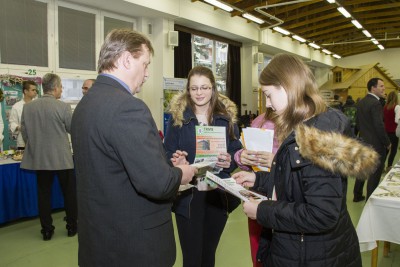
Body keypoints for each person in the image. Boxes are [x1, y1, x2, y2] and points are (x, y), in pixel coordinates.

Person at [232, 54, 379, 267]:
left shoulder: (316, 139)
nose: (269, 105)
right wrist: (258, 180)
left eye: (269, 95)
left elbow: (322, 213)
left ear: (288, 87)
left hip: (316, 255)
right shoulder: (304, 128)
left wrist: (262, 211)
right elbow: (296, 183)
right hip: (303, 249)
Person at [70, 29, 196, 267]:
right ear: (127, 59)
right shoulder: (129, 108)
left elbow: (114, 168)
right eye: (145, 64)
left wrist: (165, 167)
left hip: (99, 241)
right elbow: (157, 184)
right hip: (134, 247)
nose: (147, 74)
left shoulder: (85, 106)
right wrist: (181, 174)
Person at [164, 66, 242, 267]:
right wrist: (176, 161)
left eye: (205, 88)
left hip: (217, 194)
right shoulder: (178, 119)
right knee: (191, 258)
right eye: (194, 88)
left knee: (208, 255)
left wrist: (230, 160)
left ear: (213, 88)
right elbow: (167, 152)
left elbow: (236, 150)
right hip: (189, 196)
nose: (199, 93)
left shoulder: (226, 119)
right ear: (188, 90)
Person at [20, 73, 77, 241]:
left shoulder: (28, 108)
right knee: (69, 193)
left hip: (40, 159)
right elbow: (72, 128)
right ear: (54, 88)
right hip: (62, 158)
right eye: (60, 86)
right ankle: (72, 227)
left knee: (43, 195)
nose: (61, 90)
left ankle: (46, 230)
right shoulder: (63, 107)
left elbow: (25, 132)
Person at [233, 108, 278, 267]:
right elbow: (244, 152)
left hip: (283, 202)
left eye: (270, 94)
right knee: (258, 254)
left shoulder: (303, 122)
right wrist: (241, 157)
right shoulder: (260, 120)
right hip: (257, 197)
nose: (268, 102)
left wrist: (277, 161)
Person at [353, 78, 390, 202]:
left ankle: (357, 195)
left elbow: (357, 123)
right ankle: (370, 201)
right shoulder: (375, 103)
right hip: (376, 145)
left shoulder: (361, 102)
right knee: (374, 174)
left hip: (363, 142)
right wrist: (387, 142)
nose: (384, 88)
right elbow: (379, 125)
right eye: (381, 86)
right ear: (373, 88)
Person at [9, 80, 38, 149]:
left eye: (36, 90)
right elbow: (12, 122)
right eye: (33, 90)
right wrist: (20, 128)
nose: (35, 92)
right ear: (25, 91)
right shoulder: (16, 106)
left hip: (37, 141)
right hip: (22, 142)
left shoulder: (38, 105)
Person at [383, 91, 400, 172]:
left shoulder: (385, 107)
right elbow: (397, 120)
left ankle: (381, 166)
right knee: (393, 150)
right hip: (394, 132)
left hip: (386, 131)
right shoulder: (397, 107)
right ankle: (389, 166)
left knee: (386, 150)